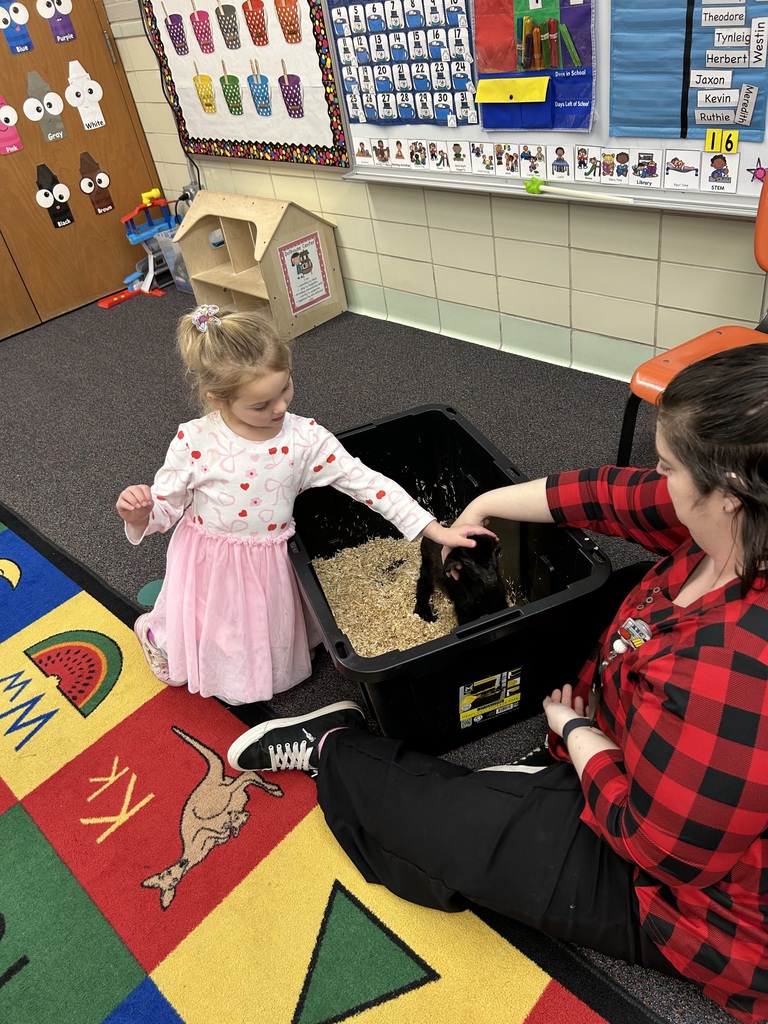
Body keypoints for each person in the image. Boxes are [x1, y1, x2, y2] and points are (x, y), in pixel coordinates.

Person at [227, 344, 768, 1023]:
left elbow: (656, 847)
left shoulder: (735, 668)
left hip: (691, 896)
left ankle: (334, 747)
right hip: (659, 759)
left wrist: (577, 736)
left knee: (437, 834)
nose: (656, 478)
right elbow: (608, 495)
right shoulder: (741, 526)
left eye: (668, 466)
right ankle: (541, 777)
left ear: (729, 494)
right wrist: (476, 507)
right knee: (594, 595)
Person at [115, 305, 489, 706]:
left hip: (269, 558)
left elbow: (369, 484)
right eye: (261, 405)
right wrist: (140, 513)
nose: (279, 408)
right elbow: (165, 509)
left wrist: (435, 530)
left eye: (285, 389)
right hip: (211, 560)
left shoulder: (305, 439)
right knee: (212, 622)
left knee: (263, 628)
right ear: (217, 400)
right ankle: (159, 636)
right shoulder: (195, 442)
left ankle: (253, 669)